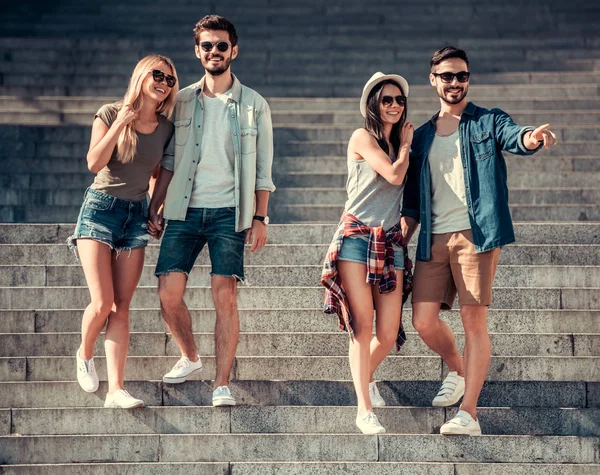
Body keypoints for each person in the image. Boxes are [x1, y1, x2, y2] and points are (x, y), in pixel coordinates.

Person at [402, 46, 558, 435]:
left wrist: (530, 138)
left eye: (462, 76)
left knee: (474, 320)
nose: (455, 82)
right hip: (433, 238)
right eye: (448, 76)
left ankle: (469, 412)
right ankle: (456, 368)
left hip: (477, 235)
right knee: (422, 320)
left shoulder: (488, 120)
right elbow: (411, 200)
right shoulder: (421, 136)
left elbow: (513, 136)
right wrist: (398, 237)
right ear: (433, 79)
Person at [147, 15, 275, 407]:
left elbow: (263, 169)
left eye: (221, 45)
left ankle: (221, 383)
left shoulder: (254, 104)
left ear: (233, 50)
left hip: (229, 213)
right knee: (168, 292)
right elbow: (165, 159)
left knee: (225, 296)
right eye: (207, 45)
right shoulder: (181, 100)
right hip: (184, 210)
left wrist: (259, 218)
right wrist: (155, 205)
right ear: (197, 51)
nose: (214, 52)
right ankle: (190, 356)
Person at [67, 54, 178, 408]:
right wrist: (121, 125)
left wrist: (155, 208)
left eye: (170, 79)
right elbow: (93, 163)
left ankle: (116, 389)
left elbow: (162, 172)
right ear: (142, 76)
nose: (163, 82)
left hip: (134, 216)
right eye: (157, 74)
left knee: (122, 305)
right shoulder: (110, 113)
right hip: (99, 210)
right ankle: (84, 354)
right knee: (101, 302)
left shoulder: (166, 128)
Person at [321, 72, 414, 434]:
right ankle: (364, 409)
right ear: (373, 104)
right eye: (386, 99)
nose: (394, 105)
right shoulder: (362, 137)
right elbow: (393, 175)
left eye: (399, 100)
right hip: (357, 239)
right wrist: (406, 145)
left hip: (389, 243)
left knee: (388, 332)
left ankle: (364, 377)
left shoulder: (400, 145)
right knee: (363, 326)